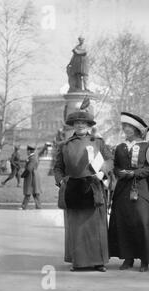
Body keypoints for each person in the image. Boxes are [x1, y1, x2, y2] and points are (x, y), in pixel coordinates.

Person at [54, 110, 113, 272]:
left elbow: (109, 160)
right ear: (73, 125)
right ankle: (78, 262)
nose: (80, 125)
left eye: (84, 123)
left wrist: (103, 171)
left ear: (88, 125)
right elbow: (58, 167)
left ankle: (98, 261)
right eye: (77, 123)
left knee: (96, 226)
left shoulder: (98, 142)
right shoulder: (65, 145)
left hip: (94, 186)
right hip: (73, 188)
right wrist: (60, 181)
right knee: (77, 227)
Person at [108, 112, 149, 272]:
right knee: (124, 222)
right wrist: (119, 172)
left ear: (136, 129)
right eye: (124, 127)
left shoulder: (147, 146)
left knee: (141, 222)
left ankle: (144, 260)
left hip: (139, 188)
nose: (126, 129)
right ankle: (128, 258)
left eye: (128, 126)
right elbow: (114, 165)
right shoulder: (120, 147)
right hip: (122, 190)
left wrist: (134, 173)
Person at [20, 144, 42, 210]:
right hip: (33, 176)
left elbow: (29, 168)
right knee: (34, 192)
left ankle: (24, 206)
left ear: (29, 151)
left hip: (32, 177)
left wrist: (22, 175)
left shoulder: (32, 158)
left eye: (27, 151)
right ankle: (38, 206)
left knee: (29, 192)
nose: (27, 152)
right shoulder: (32, 157)